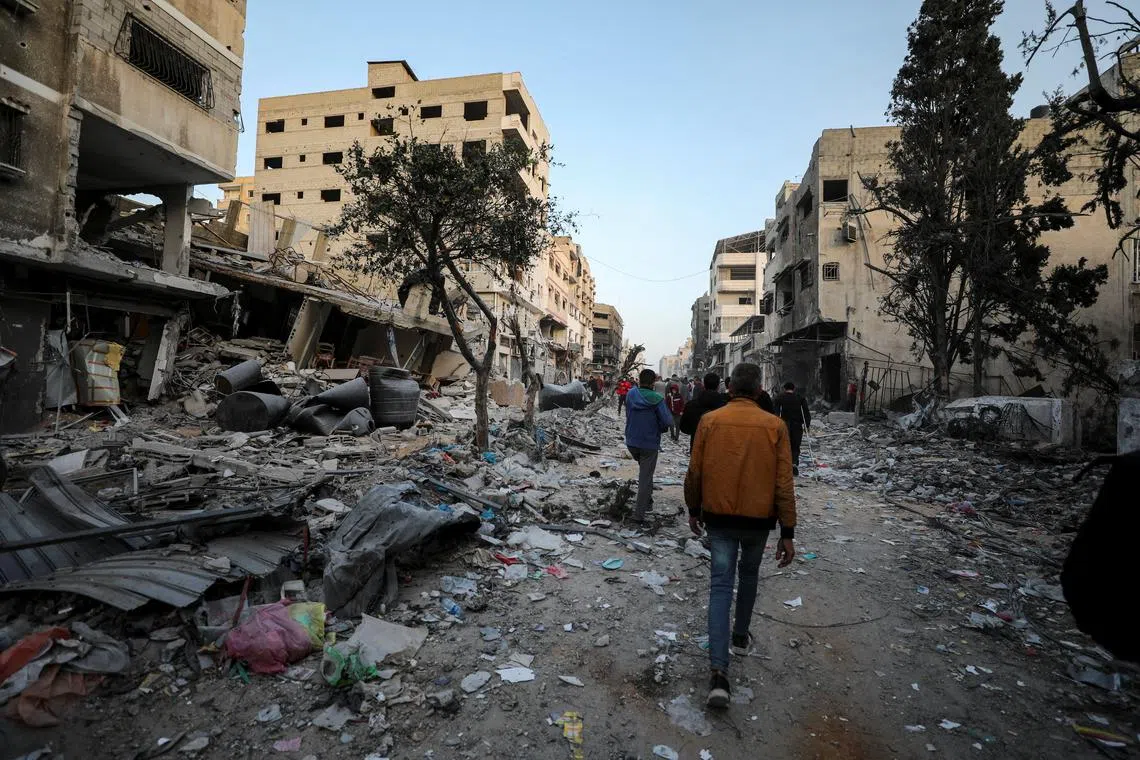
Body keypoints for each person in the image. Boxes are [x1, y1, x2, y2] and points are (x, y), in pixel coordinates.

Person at [685, 362, 796, 709]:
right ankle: (739, 638)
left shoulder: (709, 422)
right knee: (748, 576)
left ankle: (719, 674)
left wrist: (693, 508)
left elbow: (695, 471)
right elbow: (784, 482)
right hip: (757, 522)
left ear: (730, 388)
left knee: (720, 586)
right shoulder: (775, 426)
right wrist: (787, 532)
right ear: (760, 390)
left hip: (718, 519)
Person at [625, 369, 673, 523]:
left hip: (632, 442)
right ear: (653, 382)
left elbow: (628, 414)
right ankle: (639, 514)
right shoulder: (657, 399)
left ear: (639, 379)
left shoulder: (631, 394)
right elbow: (667, 422)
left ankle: (648, 500)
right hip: (649, 443)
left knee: (646, 473)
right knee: (645, 477)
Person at [679, 373, 728, 452]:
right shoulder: (726, 405)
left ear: (704, 385)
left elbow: (685, 428)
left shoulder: (691, 405)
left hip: (697, 448)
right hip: (720, 450)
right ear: (718, 386)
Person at [773, 381, 811, 475]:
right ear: (793, 389)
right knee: (795, 445)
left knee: (785, 445)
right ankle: (794, 463)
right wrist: (807, 424)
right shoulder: (800, 398)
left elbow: (776, 412)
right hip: (797, 425)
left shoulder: (780, 398)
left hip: (784, 425)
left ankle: (785, 465)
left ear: (784, 389)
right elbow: (806, 412)